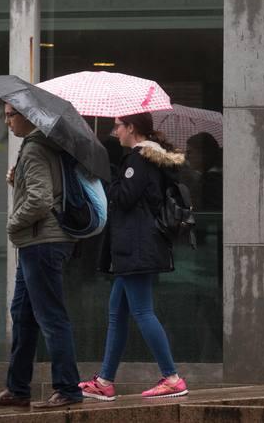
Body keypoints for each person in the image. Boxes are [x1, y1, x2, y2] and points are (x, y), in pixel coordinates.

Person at [79, 112, 189, 401]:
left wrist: (108, 177)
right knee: (117, 313)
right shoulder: (147, 159)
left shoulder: (139, 159)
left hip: (137, 247)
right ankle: (104, 380)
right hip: (137, 247)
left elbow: (124, 197)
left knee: (142, 312)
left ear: (132, 128)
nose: (115, 132)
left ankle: (172, 377)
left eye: (118, 126)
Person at [0, 102, 83, 410]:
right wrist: (19, 181)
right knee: (23, 316)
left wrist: (13, 222)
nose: (6, 121)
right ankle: (17, 388)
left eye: (11, 114)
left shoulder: (36, 148)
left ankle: (67, 388)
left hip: (42, 242)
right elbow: (44, 190)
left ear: (27, 116)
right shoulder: (43, 146)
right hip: (39, 243)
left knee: (51, 317)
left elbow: (40, 200)